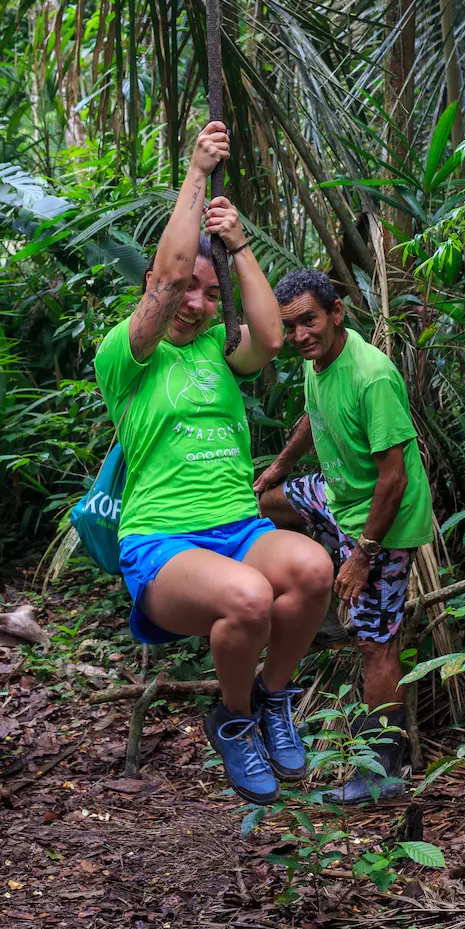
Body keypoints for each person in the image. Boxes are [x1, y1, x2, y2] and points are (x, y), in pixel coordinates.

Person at [94, 122, 333, 806]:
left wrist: (240, 244)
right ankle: (231, 721)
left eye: (208, 292)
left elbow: (269, 335)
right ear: (155, 287)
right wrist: (197, 174)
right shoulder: (129, 354)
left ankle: (272, 701)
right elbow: (168, 280)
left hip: (237, 528)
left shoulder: (219, 353)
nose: (194, 303)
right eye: (185, 290)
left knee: (312, 570)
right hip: (163, 540)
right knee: (248, 598)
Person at [254, 269, 434, 804]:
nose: (300, 334)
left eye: (309, 320)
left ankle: (382, 775)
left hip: (384, 520)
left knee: (377, 644)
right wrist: (280, 469)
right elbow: (313, 417)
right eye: (290, 326)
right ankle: (317, 600)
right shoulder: (319, 361)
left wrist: (361, 557)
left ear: (336, 313)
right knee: (262, 505)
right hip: (339, 496)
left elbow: (395, 477)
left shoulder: (371, 375)